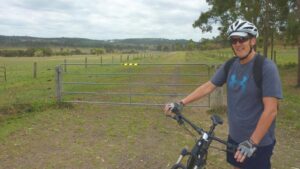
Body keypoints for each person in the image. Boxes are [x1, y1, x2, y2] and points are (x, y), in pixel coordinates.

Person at [164, 19, 282, 169]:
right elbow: (209, 86)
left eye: (242, 39)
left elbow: (271, 110)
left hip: (258, 142)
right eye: (234, 40)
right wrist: (181, 103)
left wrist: (252, 142)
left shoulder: (266, 67)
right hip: (234, 138)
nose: (237, 44)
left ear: (252, 40)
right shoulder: (231, 65)